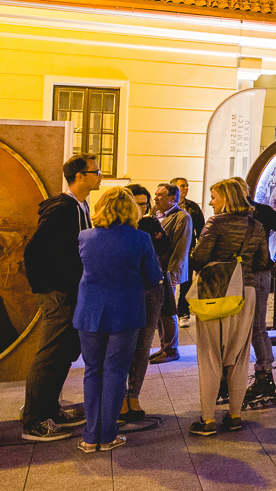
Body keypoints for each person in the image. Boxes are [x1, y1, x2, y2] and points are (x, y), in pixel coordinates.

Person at [74, 187, 163, 452]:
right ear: (131, 210)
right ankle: (108, 435)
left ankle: (90, 437)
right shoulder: (141, 238)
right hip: (125, 312)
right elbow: (153, 277)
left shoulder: (85, 236)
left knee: (92, 371)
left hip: (89, 312)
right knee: (115, 372)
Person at [21, 153, 102, 442]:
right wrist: (50, 289)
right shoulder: (62, 209)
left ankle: (49, 410)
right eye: (95, 171)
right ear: (79, 176)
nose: (100, 176)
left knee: (65, 352)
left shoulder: (81, 206)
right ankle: (34, 421)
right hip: (59, 293)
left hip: (71, 291)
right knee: (51, 354)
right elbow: (33, 251)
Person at [188, 179, 270, 436]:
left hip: (217, 291)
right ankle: (235, 415)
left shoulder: (215, 223)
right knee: (239, 355)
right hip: (246, 293)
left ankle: (208, 419)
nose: (211, 202)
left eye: (214, 197)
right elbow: (263, 261)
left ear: (226, 198)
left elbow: (198, 258)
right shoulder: (256, 225)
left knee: (210, 356)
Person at [228, 177, 276, 409]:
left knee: (256, 326)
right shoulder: (245, 213)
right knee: (246, 327)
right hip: (245, 273)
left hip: (256, 272)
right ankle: (251, 375)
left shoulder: (259, 212)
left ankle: (264, 376)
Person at [122, 184, 171, 422]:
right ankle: (120, 397)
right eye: (137, 203)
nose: (142, 208)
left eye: (145, 203)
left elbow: (164, 246)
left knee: (142, 348)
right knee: (122, 347)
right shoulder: (117, 227)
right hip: (126, 291)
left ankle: (134, 395)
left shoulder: (149, 224)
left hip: (151, 290)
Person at [149, 183, 192, 364]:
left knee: (167, 311)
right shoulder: (155, 215)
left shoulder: (181, 217)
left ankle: (171, 349)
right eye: (155, 194)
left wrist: (174, 274)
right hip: (155, 270)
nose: (155, 198)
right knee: (159, 311)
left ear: (172, 198)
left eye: (160, 195)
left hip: (168, 271)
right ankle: (164, 346)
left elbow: (181, 247)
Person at [171, 177, 205, 329]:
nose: (186, 188)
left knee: (186, 282)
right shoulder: (166, 205)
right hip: (169, 250)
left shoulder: (193, 207)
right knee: (168, 282)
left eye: (187, 186)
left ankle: (183, 313)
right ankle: (167, 313)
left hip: (187, 250)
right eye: (182, 186)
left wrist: (198, 249)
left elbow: (201, 229)